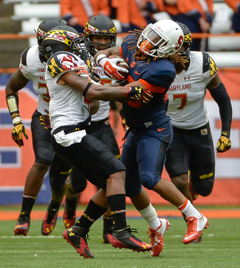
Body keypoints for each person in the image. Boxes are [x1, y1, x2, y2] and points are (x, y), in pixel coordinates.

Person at [94, 19, 209, 257]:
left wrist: (99, 84)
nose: (148, 42)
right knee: (129, 185)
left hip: (154, 129)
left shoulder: (163, 70)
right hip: (136, 128)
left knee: (150, 178)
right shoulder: (132, 42)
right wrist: (102, 60)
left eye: (157, 40)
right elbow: (107, 51)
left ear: (168, 48)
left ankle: (195, 215)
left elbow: (129, 94)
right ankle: (157, 225)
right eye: (150, 35)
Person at [41, 27, 153, 258]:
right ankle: (120, 231)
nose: (83, 45)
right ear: (64, 44)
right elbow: (93, 90)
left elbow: (91, 101)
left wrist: (102, 88)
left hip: (77, 131)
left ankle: (78, 230)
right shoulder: (60, 58)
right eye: (76, 42)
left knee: (110, 184)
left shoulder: (77, 62)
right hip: (69, 133)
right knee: (118, 171)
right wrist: (128, 91)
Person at [41, 15, 123, 243]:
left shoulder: (111, 57)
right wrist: (127, 92)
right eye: (97, 37)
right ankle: (61, 207)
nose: (102, 43)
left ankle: (111, 229)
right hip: (73, 129)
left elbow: (99, 98)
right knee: (75, 183)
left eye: (106, 39)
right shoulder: (68, 59)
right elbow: (93, 94)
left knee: (114, 174)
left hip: (98, 124)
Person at [5, 18, 70, 236]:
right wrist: (16, 120)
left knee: (60, 177)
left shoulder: (75, 58)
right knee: (42, 161)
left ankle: (53, 208)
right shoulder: (31, 58)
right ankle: (24, 216)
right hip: (44, 116)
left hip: (69, 120)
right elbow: (11, 88)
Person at [165, 22, 232, 220]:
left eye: (181, 46)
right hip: (170, 129)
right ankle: (193, 219)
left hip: (198, 128)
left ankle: (192, 191)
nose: (178, 51)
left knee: (205, 187)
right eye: (173, 46)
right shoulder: (155, 67)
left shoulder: (202, 63)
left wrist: (226, 133)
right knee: (178, 180)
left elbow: (223, 99)